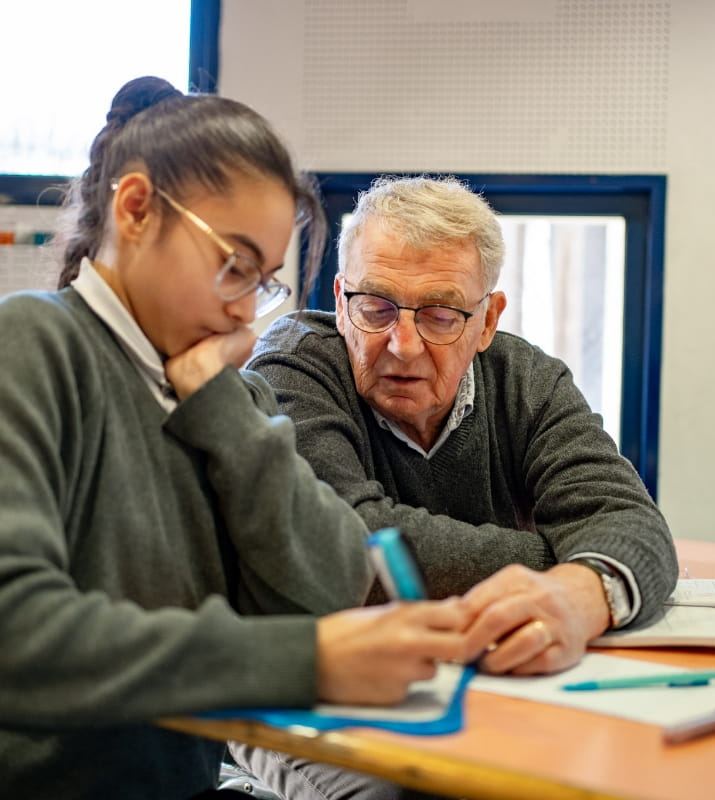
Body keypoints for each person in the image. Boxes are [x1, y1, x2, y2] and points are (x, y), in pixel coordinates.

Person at [0, 80, 474, 800]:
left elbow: (331, 590)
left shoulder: (218, 391)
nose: (244, 314)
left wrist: (226, 412)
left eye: (260, 283)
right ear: (134, 210)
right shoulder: (33, 344)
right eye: (232, 265)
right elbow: (20, 633)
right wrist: (309, 660)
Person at [240, 175, 679, 793]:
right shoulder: (292, 366)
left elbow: (634, 526)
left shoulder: (530, 382)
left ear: (487, 319)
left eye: (442, 314)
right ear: (341, 301)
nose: (403, 345)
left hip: (479, 674)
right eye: (377, 307)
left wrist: (581, 598)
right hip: (310, 679)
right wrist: (555, 559)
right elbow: (345, 541)